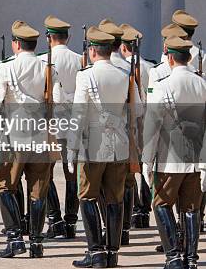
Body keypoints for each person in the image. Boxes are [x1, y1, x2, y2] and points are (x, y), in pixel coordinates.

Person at [67, 26, 142, 268]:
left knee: (87, 196)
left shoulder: (85, 76)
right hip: (118, 144)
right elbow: (137, 110)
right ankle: (112, 252)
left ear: (91, 51)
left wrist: (71, 148)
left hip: (93, 146)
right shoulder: (124, 73)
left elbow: (78, 115)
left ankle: (96, 252)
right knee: (114, 199)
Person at [0, 20, 57, 259]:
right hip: (40, 137)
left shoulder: (7, 67)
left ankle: (15, 239)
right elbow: (57, 102)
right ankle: (36, 242)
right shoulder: (46, 67)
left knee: (5, 185)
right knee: (38, 191)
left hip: (14, 136)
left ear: (16, 44)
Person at [142, 36, 206, 269]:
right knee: (191, 209)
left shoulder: (162, 86)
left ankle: (174, 256)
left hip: (169, 160)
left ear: (169, 57)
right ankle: (190, 258)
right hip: (197, 159)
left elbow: (152, 126)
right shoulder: (203, 84)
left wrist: (146, 160)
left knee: (161, 204)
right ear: (189, 57)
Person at [39, 16, 82, 240]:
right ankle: (71, 222)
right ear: (68, 37)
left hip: (51, 124)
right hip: (73, 123)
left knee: (45, 173)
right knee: (72, 174)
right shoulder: (80, 60)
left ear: (48, 38)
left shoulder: (42, 61)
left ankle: (54, 219)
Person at [99, 18, 134, 246]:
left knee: (100, 189)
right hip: (126, 133)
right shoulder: (128, 68)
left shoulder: (92, 71)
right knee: (124, 185)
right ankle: (123, 231)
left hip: (100, 138)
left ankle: (109, 235)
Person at [119, 24, 154, 231]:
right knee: (144, 168)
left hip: (133, 124)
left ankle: (135, 210)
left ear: (124, 47)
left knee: (132, 171)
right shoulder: (150, 66)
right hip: (147, 122)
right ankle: (143, 211)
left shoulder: (125, 68)